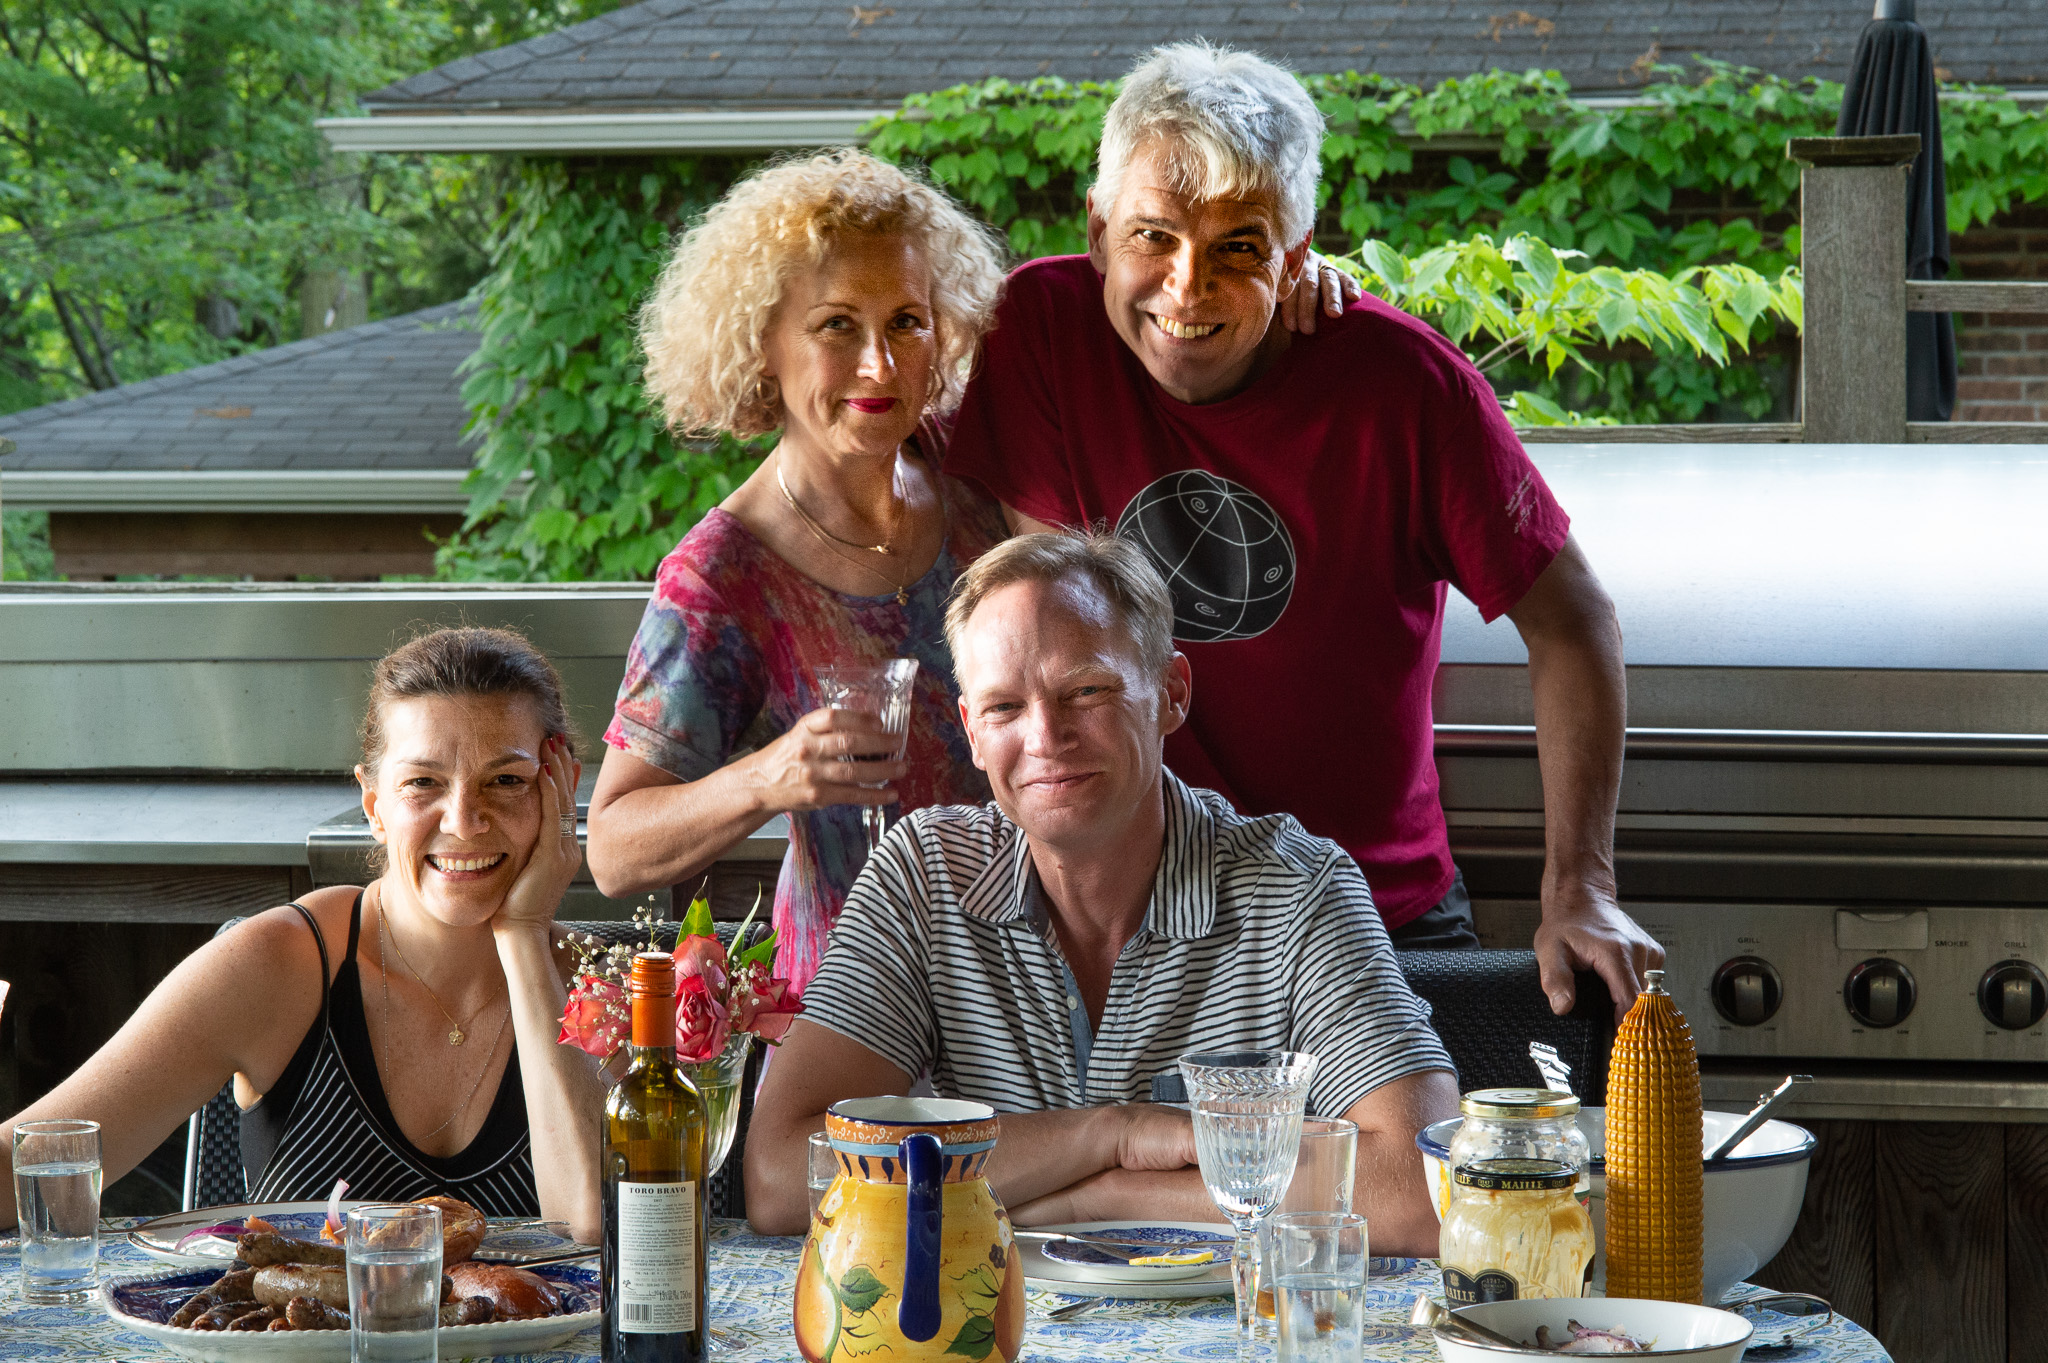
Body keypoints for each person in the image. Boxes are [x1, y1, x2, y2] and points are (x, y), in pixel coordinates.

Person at [942, 42, 1661, 1015]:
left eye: (1239, 246)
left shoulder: (1407, 387)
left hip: (1372, 920)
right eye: (1153, 236)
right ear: (1098, 230)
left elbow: (1572, 619)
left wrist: (1581, 885)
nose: (1186, 286)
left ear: (1295, 255)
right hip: (1123, 919)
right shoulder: (1038, 331)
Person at [746, 533, 1459, 1255]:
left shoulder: (1296, 886)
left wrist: (1098, 1198)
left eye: (1085, 691)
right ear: (971, 733)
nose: (1045, 736)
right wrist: (1112, 1134)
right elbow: (779, 1175)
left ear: (1171, 693)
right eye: (1003, 707)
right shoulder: (925, 874)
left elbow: (1422, 1191)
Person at [0, 627, 606, 1239]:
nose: (464, 821)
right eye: (422, 782)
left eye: (507, 781)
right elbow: (24, 1168)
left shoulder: (603, 986)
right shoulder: (276, 963)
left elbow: (591, 1225)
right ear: (373, 805)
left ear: (560, 795)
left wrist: (525, 936)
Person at [584, 150, 1011, 996]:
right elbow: (614, 849)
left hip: (1023, 992)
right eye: (837, 325)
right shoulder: (723, 574)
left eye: (907, 322)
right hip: (857, 1009)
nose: (879, 365)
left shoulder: (974, 471)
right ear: (762, 347)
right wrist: (767, 776)